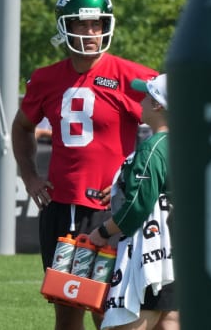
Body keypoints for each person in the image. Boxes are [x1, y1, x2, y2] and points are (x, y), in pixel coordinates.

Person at [11, 0, 157, 330]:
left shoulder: (132, 77)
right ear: (65, 25)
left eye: (97, 24)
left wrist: (131, 177)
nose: (91, 33)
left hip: (111, 209)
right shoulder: (46, 79)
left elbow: (169, 127)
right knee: (67, 307)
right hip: (62, 206)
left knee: (110, 309)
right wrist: (30, 176)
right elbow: (21, 128)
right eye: (82, 24)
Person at [89, 74, 177, 330]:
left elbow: (139, 205)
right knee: (170, 319)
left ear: (158, 104)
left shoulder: (153, 147)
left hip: (153, 251)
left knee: (131, 321)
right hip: (181, 250)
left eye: (146, 95)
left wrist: (103, 231)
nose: (140, 100)